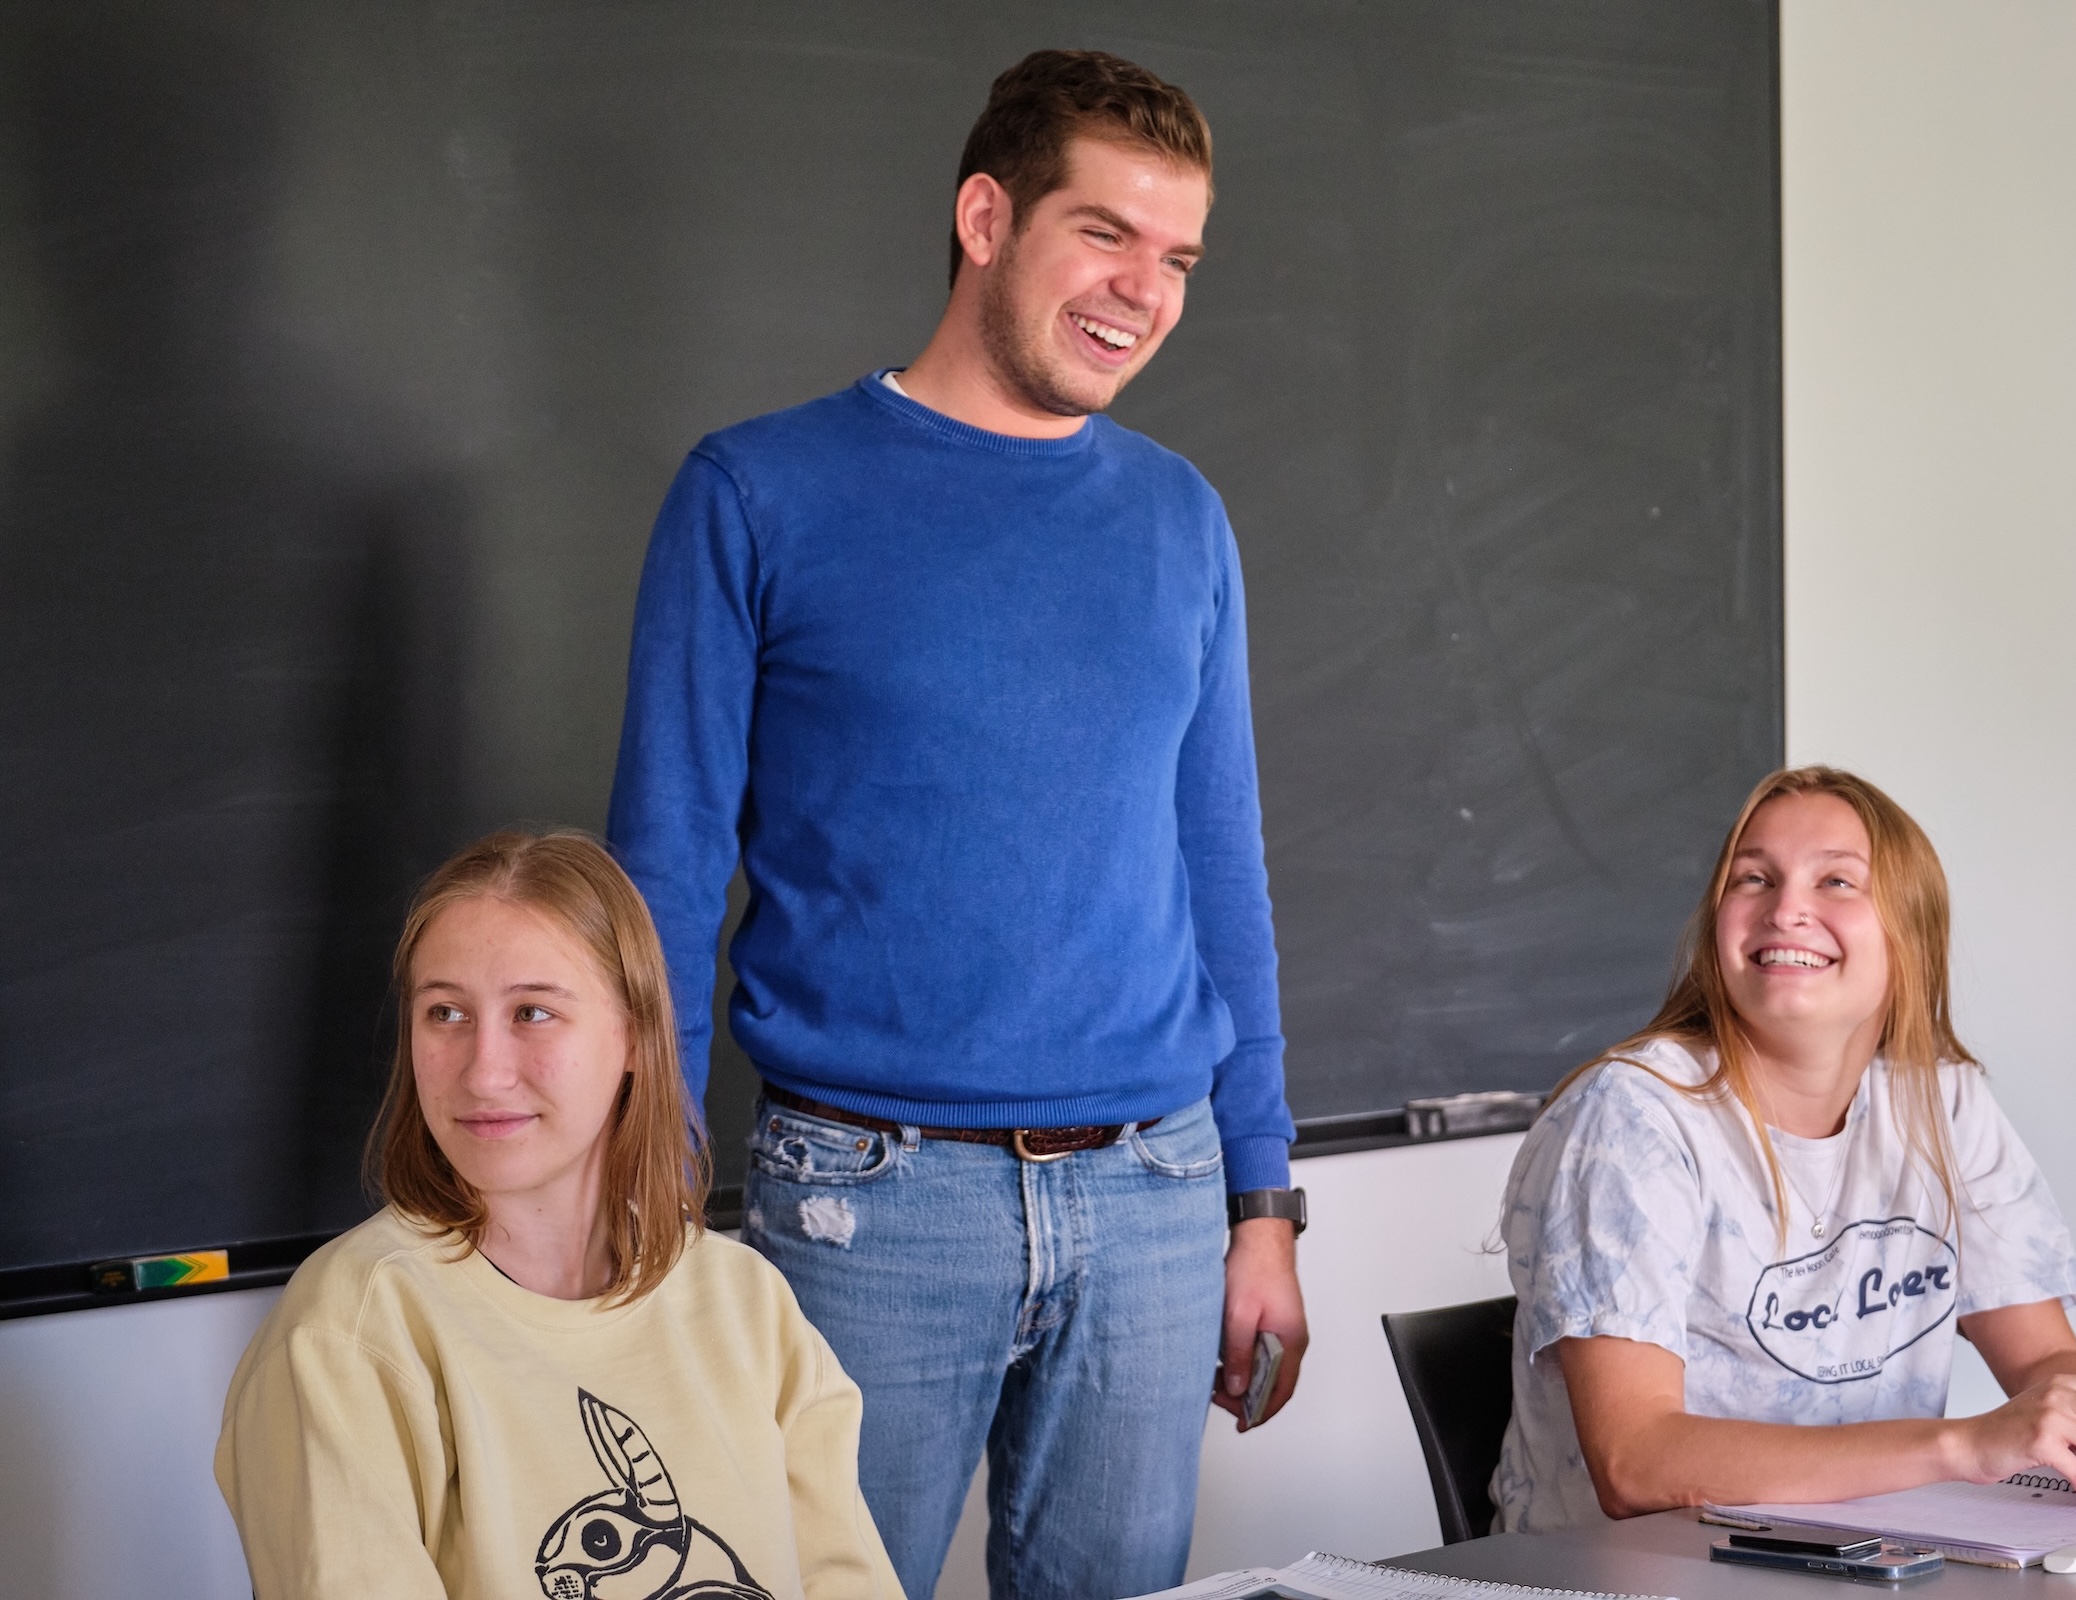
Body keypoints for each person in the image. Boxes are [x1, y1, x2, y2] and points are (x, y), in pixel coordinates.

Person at [605, 48, 1307, 1600]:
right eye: (1105, 234)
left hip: (1159, 1197)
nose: (1145, 290)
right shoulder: (757, 494)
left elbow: (1220, 868)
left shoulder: (1182, 518)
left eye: (1178, 257)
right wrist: (646, 1199)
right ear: (986, 217)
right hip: (868, 1204)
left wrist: (1264, 1204)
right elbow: (659, 871)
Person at [1491, 766, 2076, 1531]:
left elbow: (2039, 1359)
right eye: (1752, 878)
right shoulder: (1632, 1116)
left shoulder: (1944, 1100)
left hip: (1863, 1561)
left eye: (1836, 882)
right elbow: (1636, 1463)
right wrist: (1965, 1444)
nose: (1786, 908)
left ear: (1908, 933)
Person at [215, 830, 902, 1600]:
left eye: (533, 1012)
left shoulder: (748, 1304)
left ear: (635, 1036)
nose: (484, 1070)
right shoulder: (349, 1332)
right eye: (445, 1013)